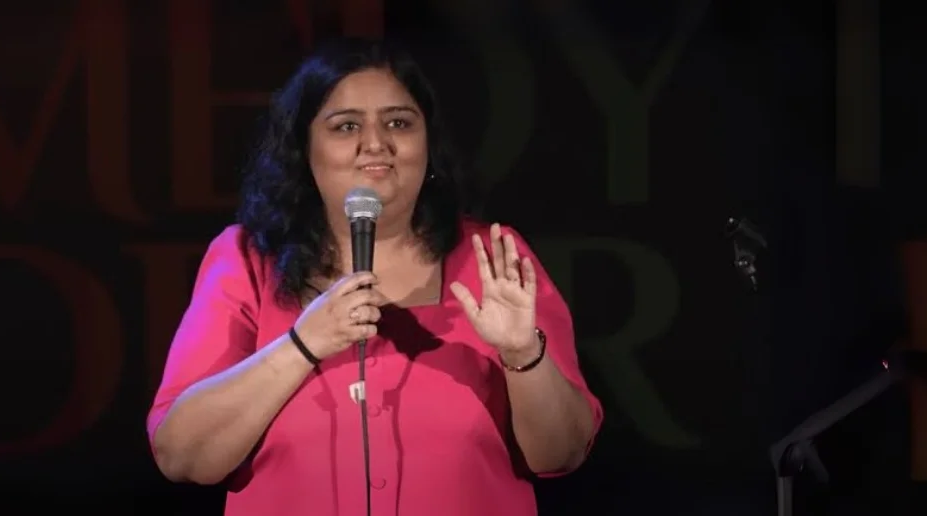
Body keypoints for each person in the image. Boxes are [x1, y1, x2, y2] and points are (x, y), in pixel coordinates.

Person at [146, 38, 603, 516]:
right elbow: (183, 458)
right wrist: (302, 345)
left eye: (399, 123)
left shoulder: (492, 257)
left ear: (428, 144)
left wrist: (523, 355)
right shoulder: (247, 260)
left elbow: (562, 453)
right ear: (304, 148)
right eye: (346, 126)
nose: (376, 143)